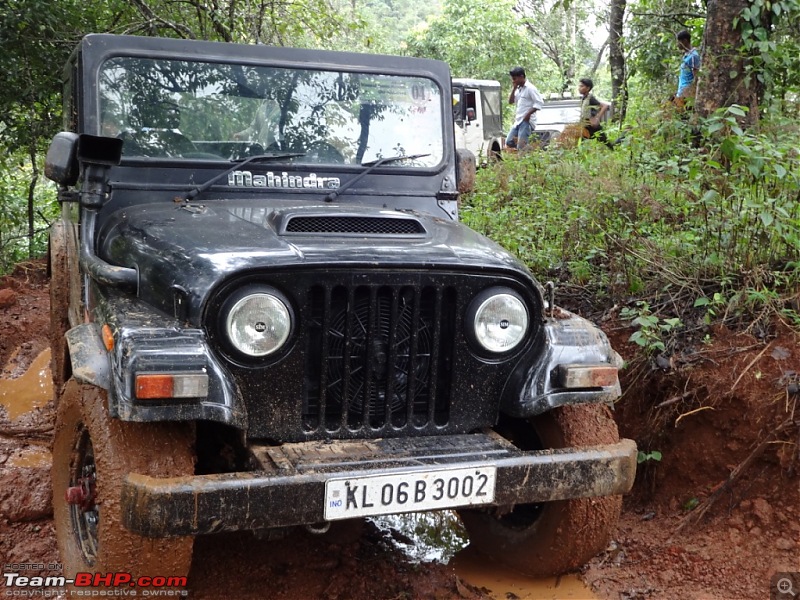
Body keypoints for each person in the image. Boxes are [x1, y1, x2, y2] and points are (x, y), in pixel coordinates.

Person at [506, 66, 544, 150]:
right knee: (509, 141)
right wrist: (514, 88)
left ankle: (525, 158)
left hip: (526, 122)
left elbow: (539, 102)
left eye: (515, 78)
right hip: (518, 121)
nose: (513, 81)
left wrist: (528, 114)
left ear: (521, 77)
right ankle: (530, 150)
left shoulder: (530, 88)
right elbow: (511, 101)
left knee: (521, 146)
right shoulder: (519, 89)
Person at [577, 78, 614, 149]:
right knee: (580, 143)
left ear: (588, 88)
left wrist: (597, 118)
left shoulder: (590, 98)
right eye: (579, 86)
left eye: (582, 86)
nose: (579, 88)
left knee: (607, 143)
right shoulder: (584, 98)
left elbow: (604, 106)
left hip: (593, 127)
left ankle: (617, 146)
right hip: (586, 125)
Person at [675, 30, 701, 105]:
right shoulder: (686, 55)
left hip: (686, 95)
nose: (677, 44)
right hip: (681, 93)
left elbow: (696, 76)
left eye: (679, 42)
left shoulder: (693, 56)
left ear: (685, 41)